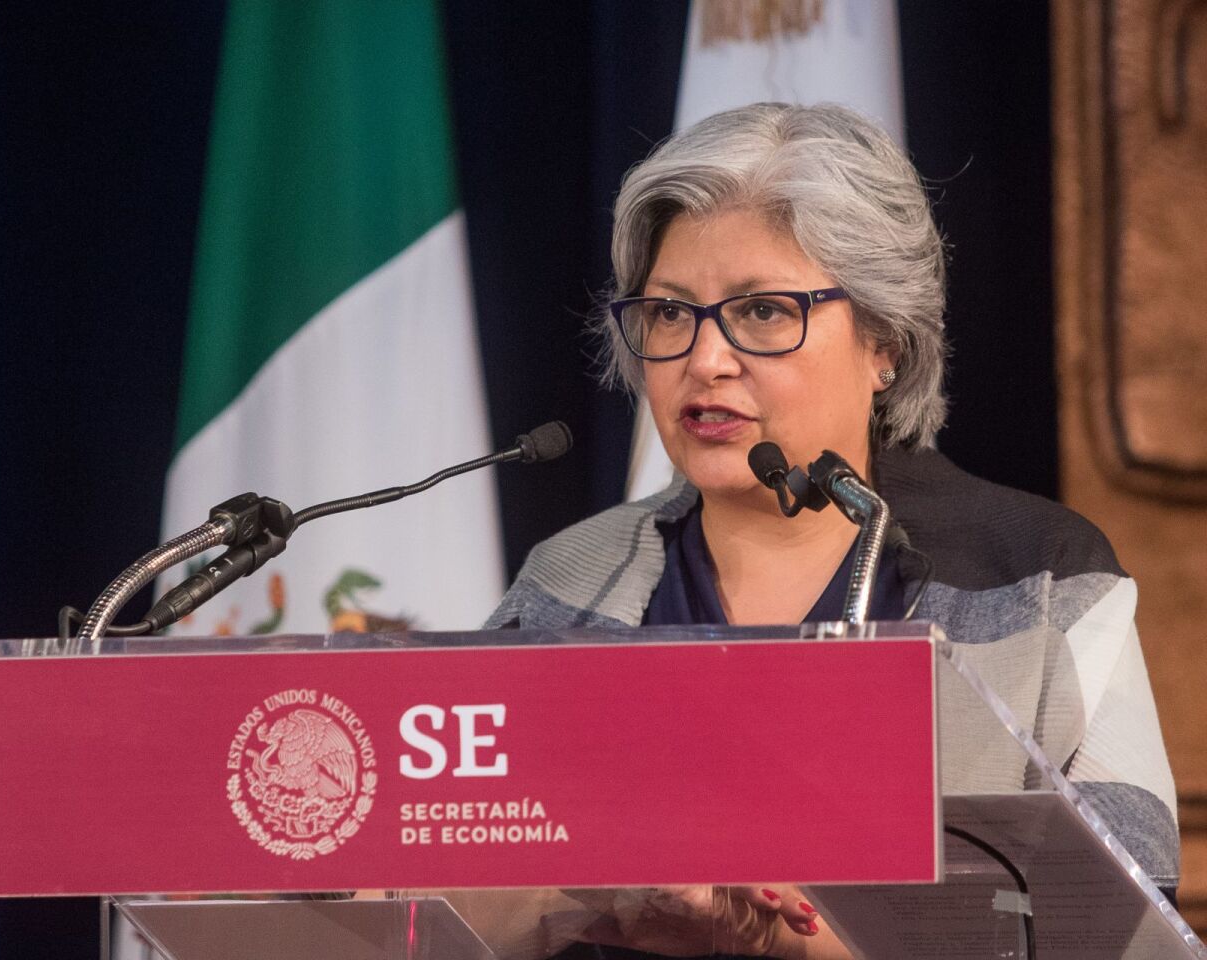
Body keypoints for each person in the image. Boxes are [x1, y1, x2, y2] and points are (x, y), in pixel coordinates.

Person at [463, 102, 1178, 959]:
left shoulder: (1039, 572)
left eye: (763, 311)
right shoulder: (567, 579)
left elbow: (1134, 927)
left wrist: (795, 944)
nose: (705, 359)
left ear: (885, 342)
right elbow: (456, 894)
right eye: (668, 313)